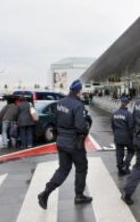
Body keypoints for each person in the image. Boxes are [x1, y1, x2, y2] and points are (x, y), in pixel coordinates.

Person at [38, 79, 92, 210]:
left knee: (63, 169)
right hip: (75, 143)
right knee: (81, 168)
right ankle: (79, 195)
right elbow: (80, 127)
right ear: (79, 91)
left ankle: (46, 192)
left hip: (61, 141)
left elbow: (55, 120)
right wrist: (86, 126)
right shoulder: (78, 105)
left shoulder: (60, 103)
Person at [111, 97, 135, 176]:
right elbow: (131, 127)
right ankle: (126, 165)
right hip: (127, 136)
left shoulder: (114, 113)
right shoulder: (128, 114)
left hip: (117, 136)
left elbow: (113, 126)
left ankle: (120, 169)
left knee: (119, 153)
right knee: (131, 150)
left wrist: (116, 133)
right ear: (128, 104)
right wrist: (133, 137)